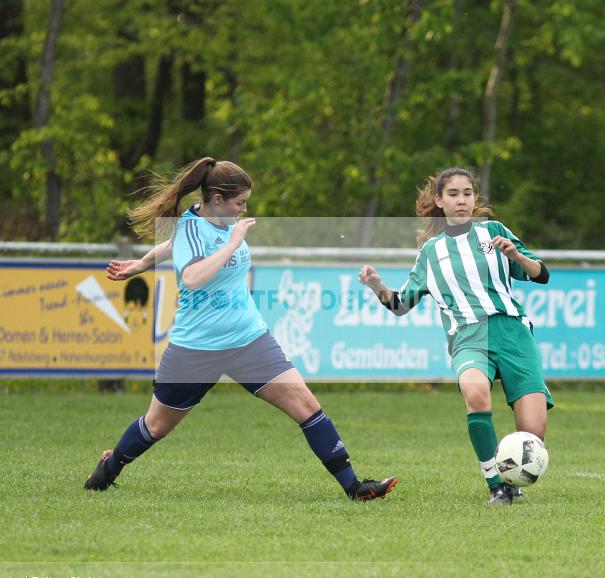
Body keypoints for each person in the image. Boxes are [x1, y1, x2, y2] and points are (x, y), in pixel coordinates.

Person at [84, 157, 397, 501]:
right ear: (217, 198)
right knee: (156, 425)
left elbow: (174, 246)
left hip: (249, 339)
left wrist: (142, 262)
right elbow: (191, 278)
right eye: (240, 202)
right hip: (196, 348)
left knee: (306, 405)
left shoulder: (212, 223)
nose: (244, 209)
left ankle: (354, 487)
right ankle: (108, 468)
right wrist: (232, 243)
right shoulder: (196, 227)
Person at [358, 167, 552, 506]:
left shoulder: (494, 231)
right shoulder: (431, 253)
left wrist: (516, 255)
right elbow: (401, 304)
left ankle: (513, 476)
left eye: (467, 193)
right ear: (439, 200)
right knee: (476, 394)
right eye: (453, 194)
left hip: (513, 332)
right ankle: (497, 486)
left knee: (533, 431)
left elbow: (541, 274)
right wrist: (378, 286)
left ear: (475, 198)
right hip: (468, 335)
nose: (461, 200)